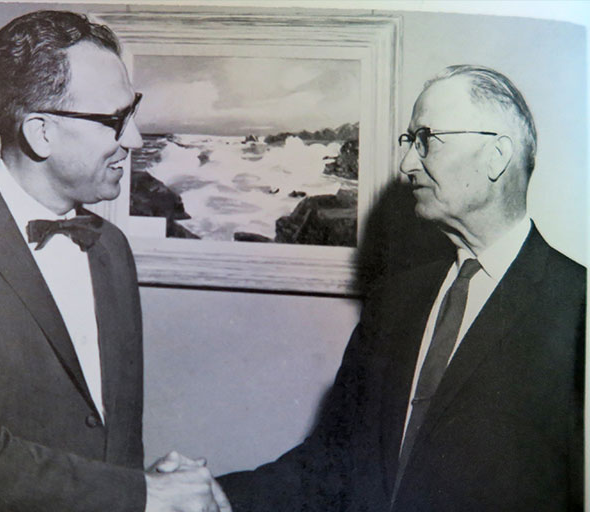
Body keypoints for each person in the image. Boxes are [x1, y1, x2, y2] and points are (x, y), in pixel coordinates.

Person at [0, 10, 228, 512]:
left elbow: (98, 438)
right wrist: (140, 494)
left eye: (132, 111)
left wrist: (142, 486)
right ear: (40, 134)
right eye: (115, 120)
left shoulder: (111, 248)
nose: (136, 140)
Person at [215, 65, 585, 511]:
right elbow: (330, 464)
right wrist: (213, 498)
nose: (406, 164)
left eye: (426, 139)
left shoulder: (577, 308)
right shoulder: (395, 301)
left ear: (496, 156)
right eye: (408, 142)